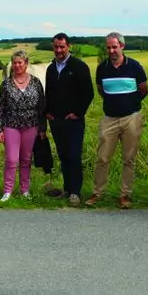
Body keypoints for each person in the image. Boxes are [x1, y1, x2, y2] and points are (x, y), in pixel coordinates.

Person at [86, 32, 148, 209]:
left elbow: (143, 90)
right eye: (108, 47)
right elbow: (101, 90)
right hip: (109, 119)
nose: (111, 50)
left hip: (131, 118)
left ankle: (125, 195)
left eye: (115, 46)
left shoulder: (135, 67)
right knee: (102, 158)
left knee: (129, 159)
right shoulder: (102, 68)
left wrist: (130, 103)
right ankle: (98, 193)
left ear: (122, 46)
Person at [43, 33, 94, 207]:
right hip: (55, 120)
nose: (59, 50)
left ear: (68, 46)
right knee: (63, 155)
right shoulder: (51, 69)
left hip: (73, 121)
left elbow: (88, 93)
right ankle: (67, 189)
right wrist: (47, 112)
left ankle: (75, 192)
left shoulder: (78, 66)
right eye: (56, 47)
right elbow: (48, 92)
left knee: (73, 155)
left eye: (62, 47)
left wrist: (78, 113)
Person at [0, 50, 47, 201]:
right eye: (15, 63)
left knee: (26, 159)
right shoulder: (6, 84)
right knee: (11, 159)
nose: (17, 66)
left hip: (31, 125)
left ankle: (25, 190)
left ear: (26, 64)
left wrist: (43, 128)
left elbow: (42, 107)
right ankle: (7, 191)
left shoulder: (36, 82)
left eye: (20, 63)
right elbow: (0, 108)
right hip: (11, 125)